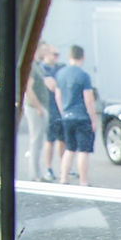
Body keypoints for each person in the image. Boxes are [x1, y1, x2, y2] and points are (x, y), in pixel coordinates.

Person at [52, 44, 99, 186]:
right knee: (83, 150)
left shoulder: (60, 74)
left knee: (69, 148)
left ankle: (63, 178)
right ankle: (83, 181)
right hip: (82, 116)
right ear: (82, 57)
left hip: (66, 116)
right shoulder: (83, 76)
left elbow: (58, 96)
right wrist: (93, 119)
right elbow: (88, 99)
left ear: (69, 56)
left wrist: (63, 112)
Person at [23, 42, 51, 180]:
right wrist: (39, 107)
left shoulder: (37, 66)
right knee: (35, 142)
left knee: (38, 142)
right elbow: (28, 89)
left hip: (39, 107)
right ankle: (34, 175)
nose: (45, 53)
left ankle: (37, 173)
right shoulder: (32, 67)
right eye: (44, 50)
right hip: (35, 108)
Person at [40, 44, 64, 180]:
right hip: (49, 109)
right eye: (54, 54)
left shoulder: (60, 69)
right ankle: (48, 168)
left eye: (57, 55)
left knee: (62, 140)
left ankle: (63, 167)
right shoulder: (42, 70)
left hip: (60, 110)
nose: (56, 58)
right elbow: (53, 87)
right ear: (47, 55)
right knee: (50, 140)